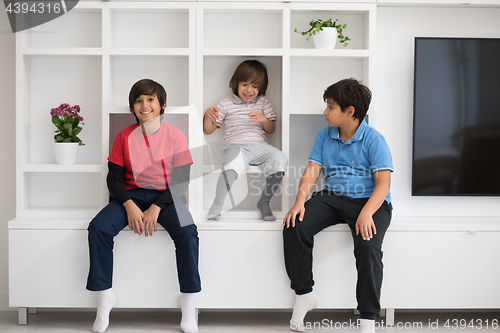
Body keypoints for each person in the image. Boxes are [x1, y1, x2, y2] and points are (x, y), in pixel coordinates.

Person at [86, 79, 201, 333]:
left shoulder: (176, 136)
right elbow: (113, 179)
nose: (144, 105)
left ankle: (189, 301)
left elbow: (181, 180)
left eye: (150, 99)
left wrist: (157, 207)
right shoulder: (123, 137)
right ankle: (105, 297)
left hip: (169, 197)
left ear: (162, 105)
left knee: (188, 232)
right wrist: (129, 204)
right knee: (99, 228)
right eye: (138, 100)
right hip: (130, 195)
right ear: (132, 106)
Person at [282, 78, 393, 333]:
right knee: (294, 225)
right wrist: (299, 202)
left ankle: (367, 318)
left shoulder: (374, 139)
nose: (325, 112)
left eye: (330, 107)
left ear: (350, 111)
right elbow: (312, 170)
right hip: (332, 197)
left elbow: (384, 184)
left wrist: (366, 213)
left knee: (368, 248)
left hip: (370, 201)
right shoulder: (325, 135)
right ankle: (304, 294)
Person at [203, 59, 288, 221]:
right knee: (230, 167)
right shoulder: (225, 104)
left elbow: (271, 130)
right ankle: (217, 204)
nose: (249, 90)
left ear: (261, 88)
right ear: (236, 83)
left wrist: (264, 119)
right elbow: (208, 130)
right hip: (236, 147)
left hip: (260, 147)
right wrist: (208, 114)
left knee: (280, 160)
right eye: (245, 84)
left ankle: (264, 202)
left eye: (255, 86)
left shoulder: (263, 102)